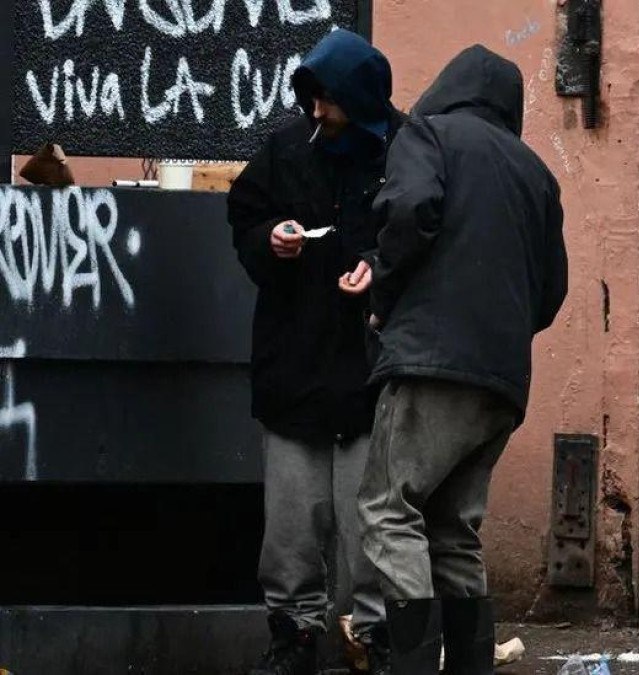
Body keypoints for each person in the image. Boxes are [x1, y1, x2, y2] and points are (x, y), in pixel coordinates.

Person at [359, 44, 567, 675]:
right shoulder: (536, 172)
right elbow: (552, 289)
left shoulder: (428, 134)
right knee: (454, 527)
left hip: (431, 362)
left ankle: (415, 665)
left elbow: (408, 209)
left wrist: (383, 292)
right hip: (501, 380)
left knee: (390, 509)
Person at [227, 29, 406, 675]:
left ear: (359, 99)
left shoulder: (406, 152)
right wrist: (268, 240)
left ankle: (375, 639)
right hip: (294, 363)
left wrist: (378, 270)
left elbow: (425, 234)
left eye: (327, 100)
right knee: (292, 526)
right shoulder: (285, 148)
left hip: (372, 370)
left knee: (373, 527)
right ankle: (294, 637)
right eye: (311, 98)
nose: (316, 112)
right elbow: (243, 214)